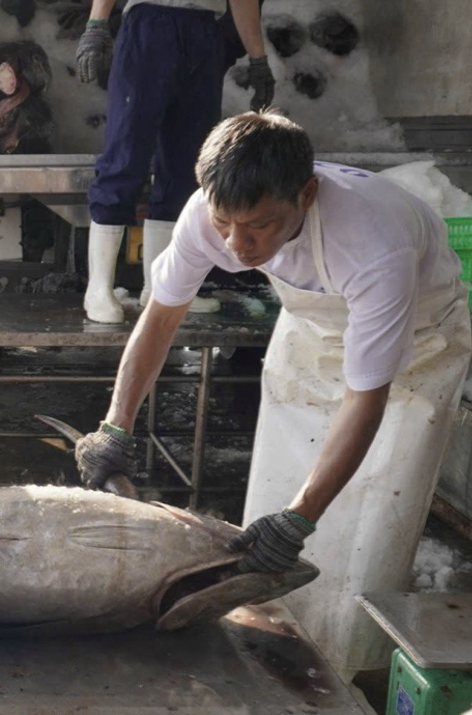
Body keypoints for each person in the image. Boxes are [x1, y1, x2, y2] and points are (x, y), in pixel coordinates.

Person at [74, 111, 472, 681]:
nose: (237, 245)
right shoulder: (206, 214)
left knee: (367, 530)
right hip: (311, 334)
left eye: (259, 225)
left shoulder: (372, 243)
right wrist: (117, 424)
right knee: (267, 517)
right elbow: (159, 320)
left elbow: (367, 398)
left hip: (416, 351)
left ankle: (346, 678)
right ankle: (265, 664)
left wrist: (301, 519)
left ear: (306, 195)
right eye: (225, 224)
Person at [75, 0, 273, 323]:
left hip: (204, 31)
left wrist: (258, 58)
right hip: (150, 25)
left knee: (187, 167)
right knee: (125, 156)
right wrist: (96, 25)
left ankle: (161, 288)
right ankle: (98, 289)